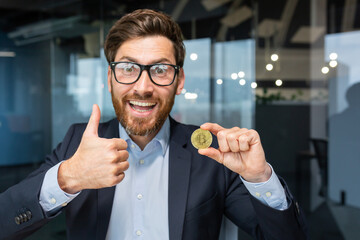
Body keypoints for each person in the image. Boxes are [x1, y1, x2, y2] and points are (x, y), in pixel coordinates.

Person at [0, 9, 308, 240]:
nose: (143, 87)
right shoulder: (77, 141)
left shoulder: (211, 155)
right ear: (110, 79)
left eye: (160, 70)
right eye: (128, 68)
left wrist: (260, 178)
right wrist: (67, 177)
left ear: (179, 80)